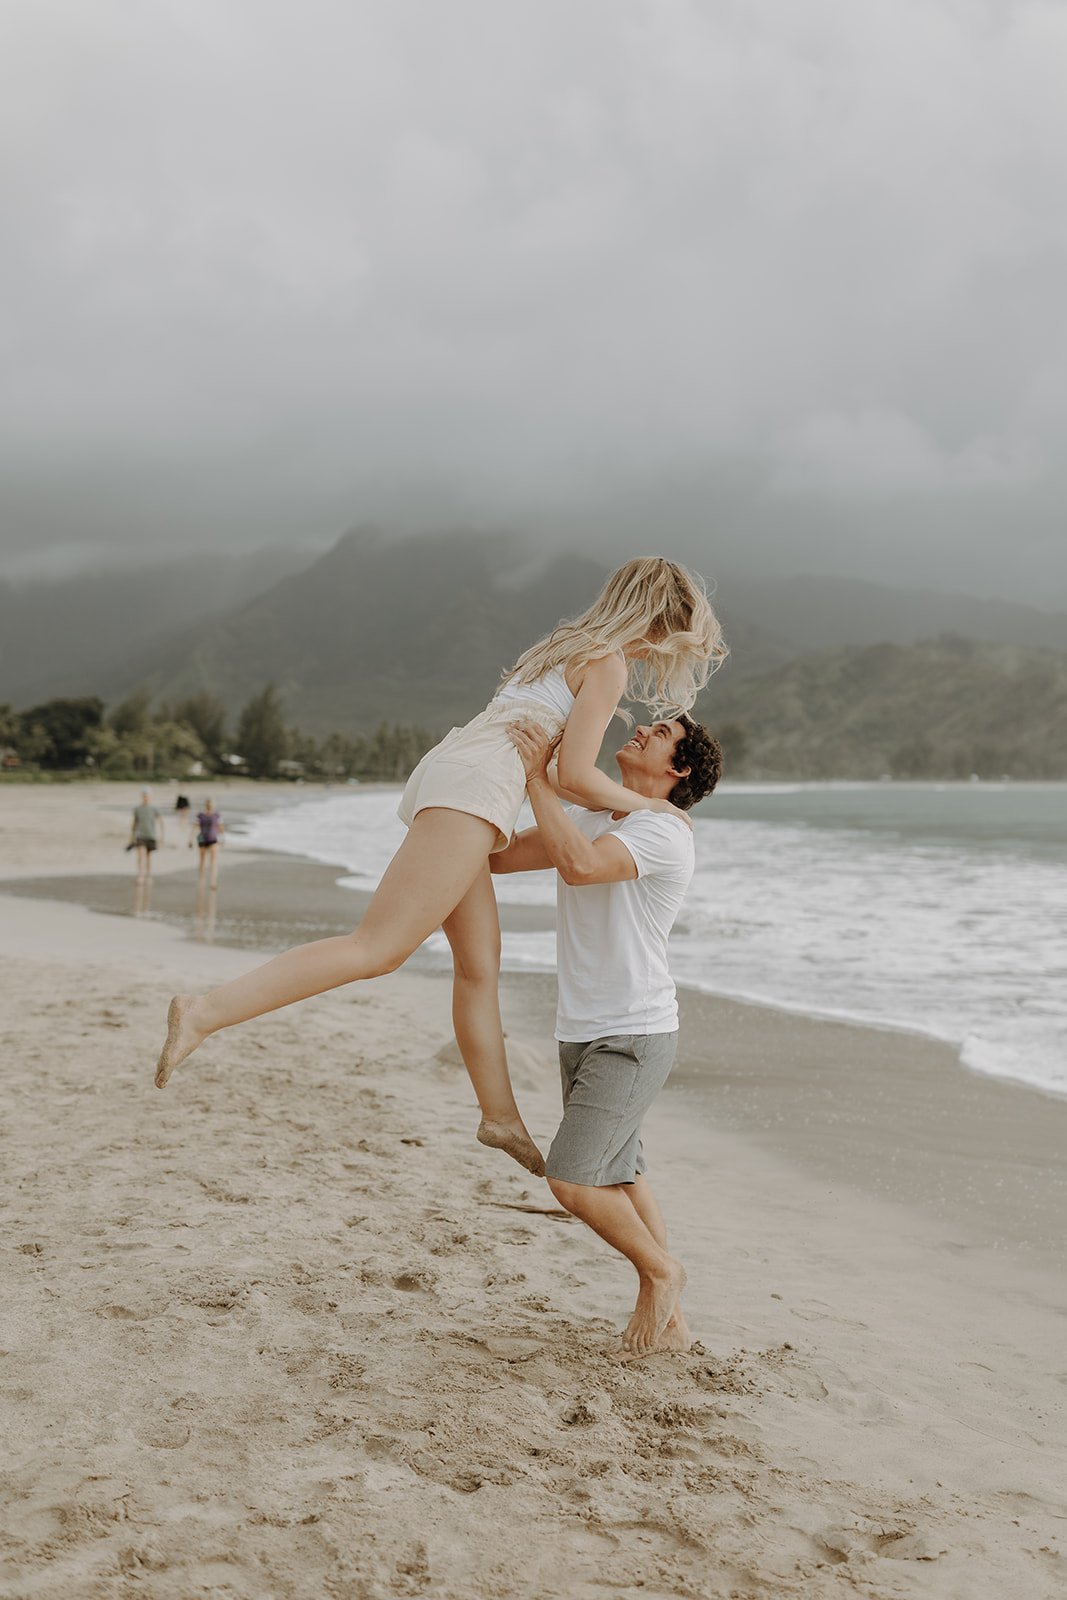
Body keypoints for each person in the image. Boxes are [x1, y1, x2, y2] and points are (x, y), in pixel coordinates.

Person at [153, 558, 726, 1180]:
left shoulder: (564, 645)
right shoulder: (607, 662)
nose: (662, 652)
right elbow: (580, 777)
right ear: (656, 620)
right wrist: (653, 807)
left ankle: (500, 1117)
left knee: (479, 966)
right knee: (377, 948)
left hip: (464, 771)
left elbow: (558, 775)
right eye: (671, 637)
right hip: (477, 784)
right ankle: (205, 1011)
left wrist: (589, 796)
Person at [492, 712, 722, 1357]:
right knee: (621, 1176)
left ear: (678, 770)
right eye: (647, 724)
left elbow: (583, 870)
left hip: (634, 1031)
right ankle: (673, 1328)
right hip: (584, 1030)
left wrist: (541, 778)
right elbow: (502, 858)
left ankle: (661, 1272)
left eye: (660, 735)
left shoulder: (662, 831)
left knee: (572, 1179)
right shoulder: (597, 821)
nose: (642, 732)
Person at [129, 789, 164, 882]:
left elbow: (161, 822)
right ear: (142, 797)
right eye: (144, 796)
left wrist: (162, 836)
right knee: (140, 856)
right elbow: (134, 823)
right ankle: (140, 876)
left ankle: (149, 876)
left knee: (148, 857)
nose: (145, 798)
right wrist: (132, 836)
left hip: (151, 835)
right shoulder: (138, 809)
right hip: (140, 835)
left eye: (147, 796)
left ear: (150, 797)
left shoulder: (154, 808)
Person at [196, 797, 224, 889]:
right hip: (202, 838)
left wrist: (222, 838)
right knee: (202, 860)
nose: (209, 806)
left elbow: (220, 827)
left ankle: (213, 881)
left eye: (211, 804)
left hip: (213, 839)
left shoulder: (217, 815)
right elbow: (195, 826)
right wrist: (190, 839)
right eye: (208, 804)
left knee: (213, 861)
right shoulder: (200, 815)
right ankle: (201, 880)